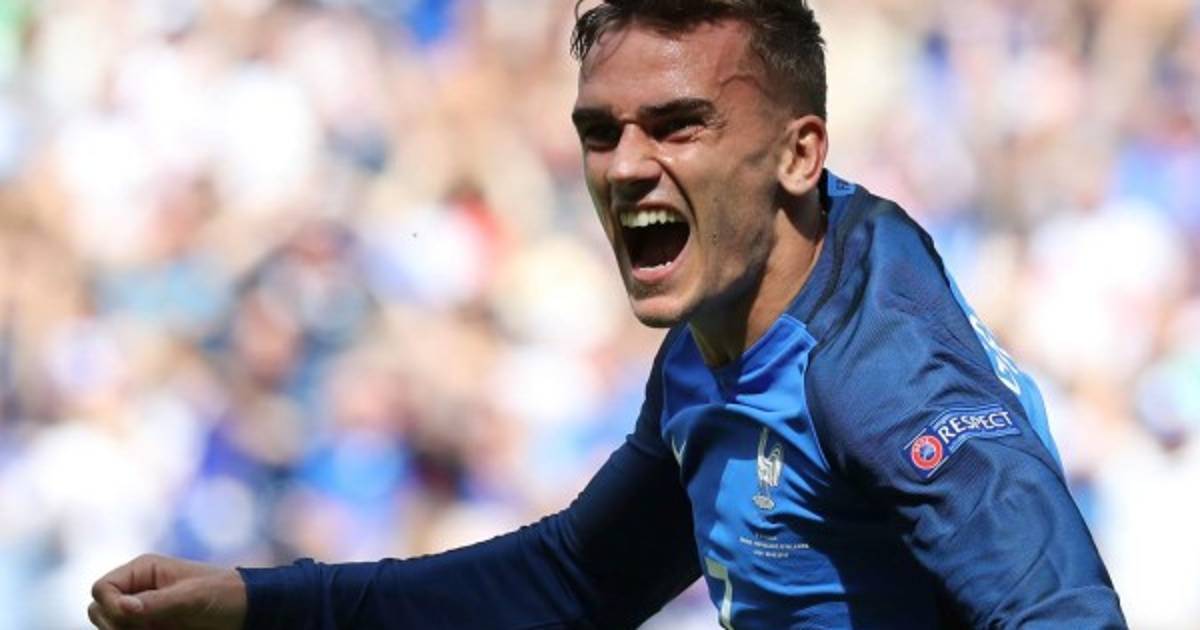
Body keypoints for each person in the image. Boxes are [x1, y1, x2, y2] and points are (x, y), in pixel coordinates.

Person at [89, 1, 1128, 628]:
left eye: (677, 126)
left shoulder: (882, 375)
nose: (626, 166)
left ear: (799, 153)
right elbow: (572, 585)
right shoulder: (724, 329)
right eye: (600, 131)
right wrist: (256, 603)